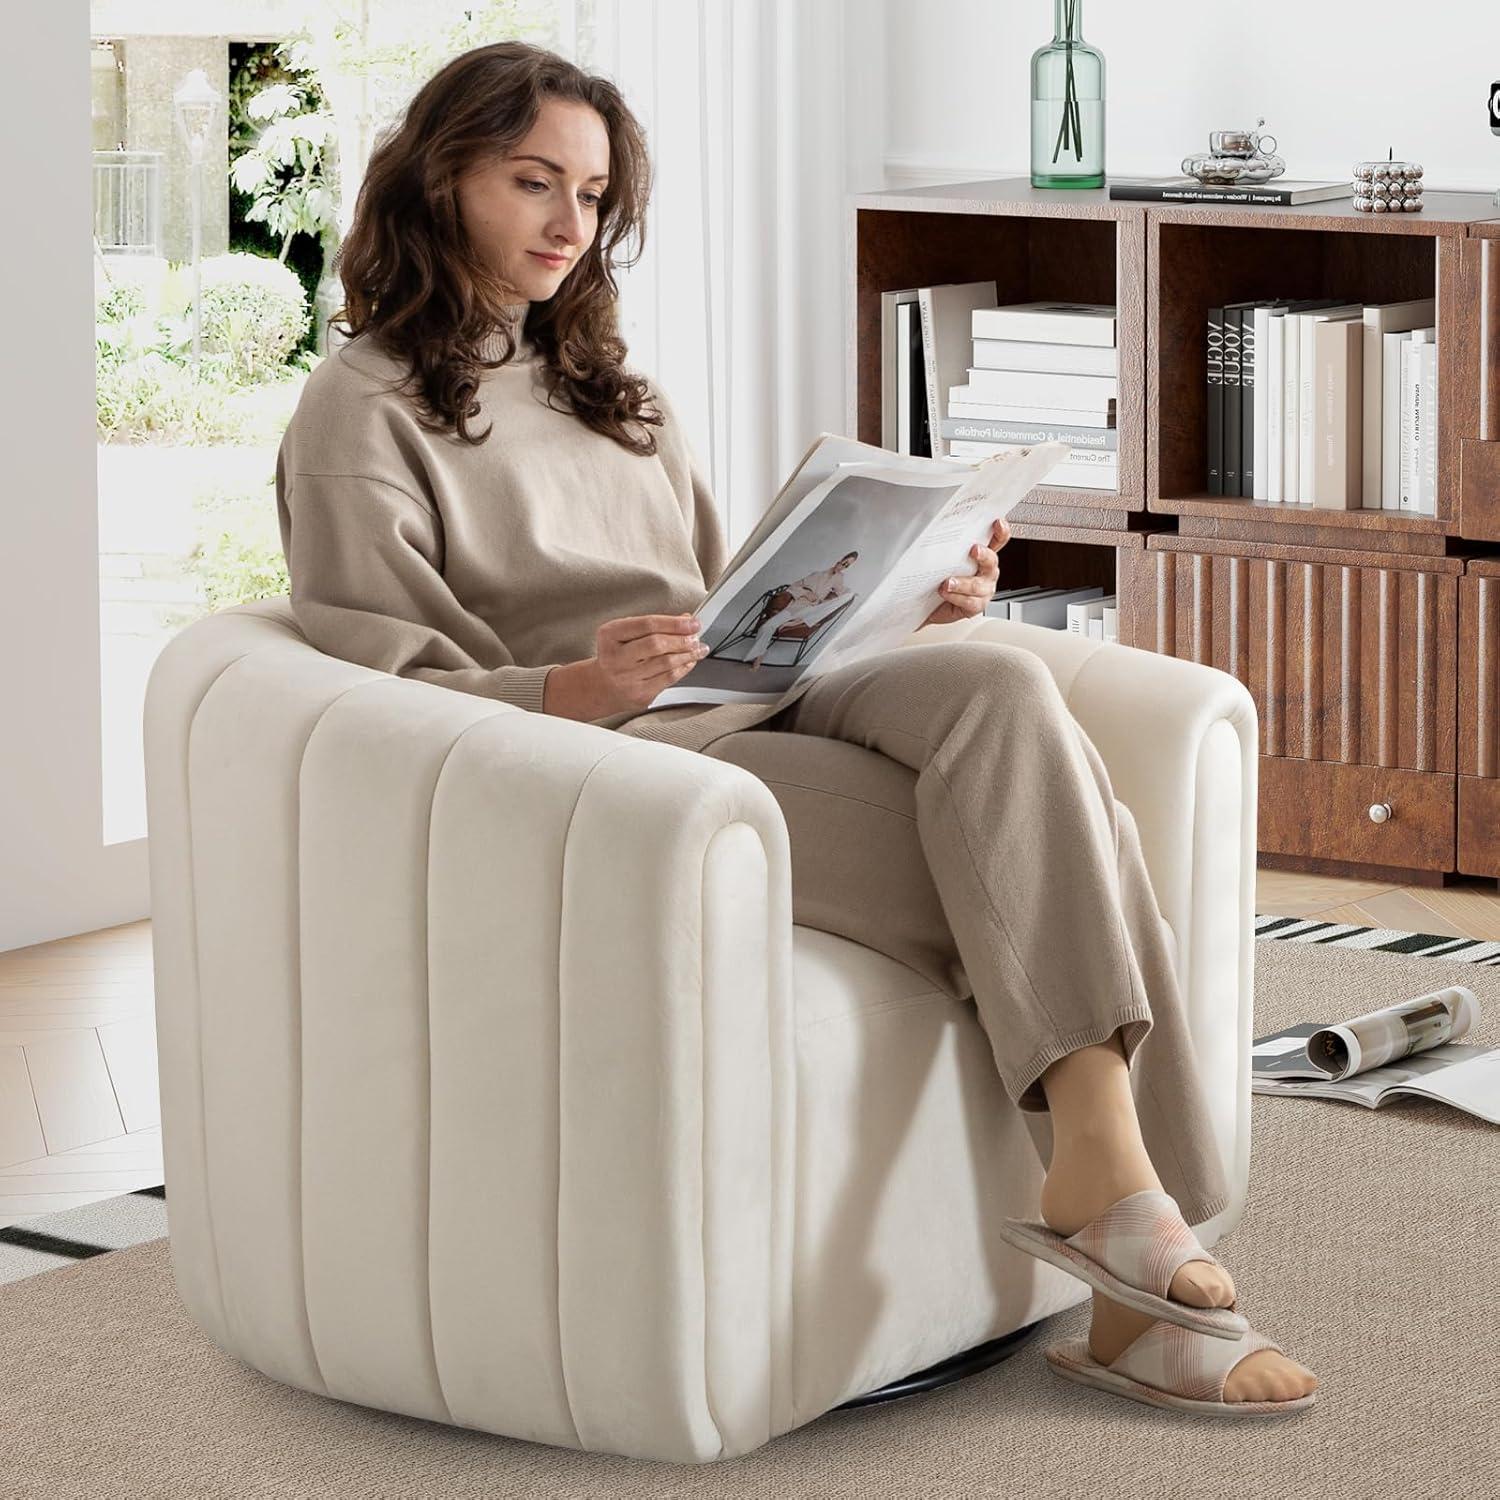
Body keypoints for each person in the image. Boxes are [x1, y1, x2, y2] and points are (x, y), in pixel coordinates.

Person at [274, 39, 1317, 1414]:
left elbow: (717, 604)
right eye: (533, 184)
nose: (567, 227)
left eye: (592, 198)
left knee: (1003, 676)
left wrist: (911, 598)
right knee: (1087, 831)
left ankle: (1115, 1207)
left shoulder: (611, 387)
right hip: (608, 761)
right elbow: (375, 691)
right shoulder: (358, 410)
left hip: (744, 692)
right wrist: (572, 689)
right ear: (437, 177)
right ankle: (1138, 1234)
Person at [744, 551, 857, 669]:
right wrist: (806, 593)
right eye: (844, 563)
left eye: (847, 566)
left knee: (846, 597)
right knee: (767, 626)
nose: (843, 567)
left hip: (813, 610)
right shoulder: (816, 574)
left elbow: (841, 592)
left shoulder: (838, 579)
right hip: (797, 606)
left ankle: (792, 623)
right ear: (840, 559)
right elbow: (794, 586)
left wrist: (845, 595)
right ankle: (760, 656)